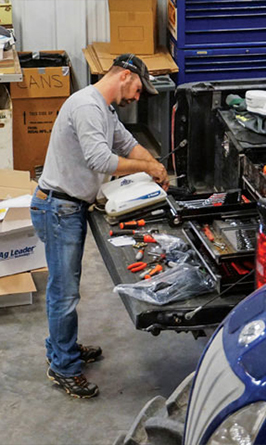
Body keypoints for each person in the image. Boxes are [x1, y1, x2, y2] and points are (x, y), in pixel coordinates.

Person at [30, 53, 169, 399]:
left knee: (65, 290)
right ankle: (62, 366)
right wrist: (145, 171)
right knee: (64, 293)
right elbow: (100, 159)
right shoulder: (88, 106)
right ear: (124, 75)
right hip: (58, 207)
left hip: (68, 206)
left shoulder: (103, 110)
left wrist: (155, 165)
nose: (138, 97)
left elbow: (126, 143)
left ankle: (63, 348)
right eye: (139, 89)